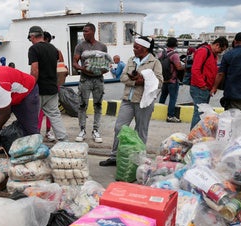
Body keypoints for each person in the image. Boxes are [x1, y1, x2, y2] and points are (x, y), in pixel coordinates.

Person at [99, 36, 163, 166]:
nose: (133, 49)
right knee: (119, 127)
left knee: (141, 130)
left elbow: (159, 82)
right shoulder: (131, 60)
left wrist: (143, 80)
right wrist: (136, 81)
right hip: (127, 99)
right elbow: (122, 77)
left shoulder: (155, 62)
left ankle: (138, 160)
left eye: (136, 47)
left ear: (144, 48)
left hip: (144, 101)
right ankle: (114, 156)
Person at [28, 25, 68, 142]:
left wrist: (30, 87)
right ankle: (63, 140)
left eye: (30, 38)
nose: (30, 41)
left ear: (32, 36)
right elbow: (60, 69)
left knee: (33, 117)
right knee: (55, 115)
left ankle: (33, 142)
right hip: (52, 88)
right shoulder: (54, 49)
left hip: (39, 89)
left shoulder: (34, 49)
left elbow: (35, 70)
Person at [72, 23, 108, 143]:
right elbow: (75, 63)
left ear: (93, 31)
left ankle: (95, 130)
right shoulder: (80, 46)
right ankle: (82, 130)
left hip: (98, 79)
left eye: (86, 31)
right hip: (85, 79)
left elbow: (106, 63)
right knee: (82, 105)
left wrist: (105, 69)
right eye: (83, 31)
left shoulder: (102, 46)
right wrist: (83, 69)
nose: (84, 33)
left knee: (98, 105)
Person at [189, 37, 229, 129]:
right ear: (217, 45)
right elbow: (195, 69)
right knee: (199, 113)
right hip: (200, 88)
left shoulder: (212, 54)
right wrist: (202, 85)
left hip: (205, 88)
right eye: (221, 50)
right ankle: (193, 135)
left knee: (202, 113)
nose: (221, 52)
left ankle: (196, 134)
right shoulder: (204, 51)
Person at [158, 37, 185, 123]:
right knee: (173, 98)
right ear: (176, 45)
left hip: (164, 80)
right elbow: (178, 67)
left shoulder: (161, 54)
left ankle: (158, 113)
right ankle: (170, 116)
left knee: (163, 96)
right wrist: (185, 65)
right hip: (173, 80)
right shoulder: (175, 55)